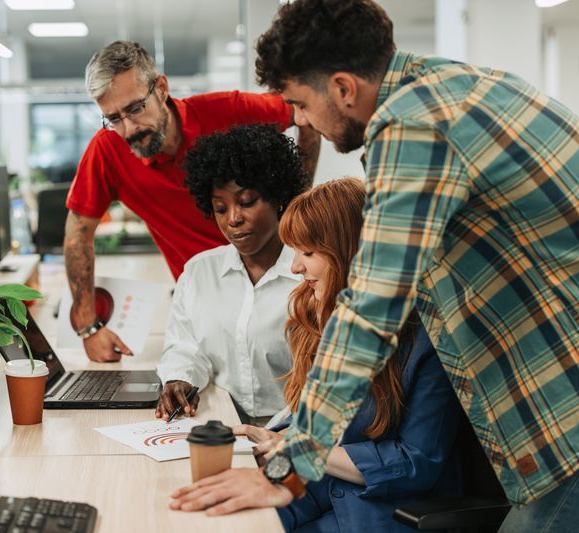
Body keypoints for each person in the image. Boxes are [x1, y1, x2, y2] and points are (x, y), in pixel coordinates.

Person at [169, 1, 579, 530]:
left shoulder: (414, 124)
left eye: (298, 103)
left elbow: (372, 303)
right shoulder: (453, 86)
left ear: (343, 88)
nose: (299, 120)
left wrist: (291, 464)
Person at [64, 41, 320, 362]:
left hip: (280, 296)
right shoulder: (108, 150)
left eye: (134, 109)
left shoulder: (229, 110)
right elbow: (78, 233)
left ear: (161, 88)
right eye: (112, 118)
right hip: (206, 306)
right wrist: (88, 325)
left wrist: (298, 203)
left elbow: (304, 112)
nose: (128, 130)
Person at [233, 178, 462, 532]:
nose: (294, 267)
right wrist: (266, 467)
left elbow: (416, 463)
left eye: (307, 253)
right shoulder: (318, 323)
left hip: (378, 516)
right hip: (318, 495)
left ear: (350, 253)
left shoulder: (425, 341)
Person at [155, 124, 308, 426]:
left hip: (296, 431)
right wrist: (179, 380)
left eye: (247, 202)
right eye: (220, 208)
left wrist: (274, 438)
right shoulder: (199, 272)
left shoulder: (311, 275)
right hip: (220, 424)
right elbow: (185, 346)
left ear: (278, 197)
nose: (234, 219)